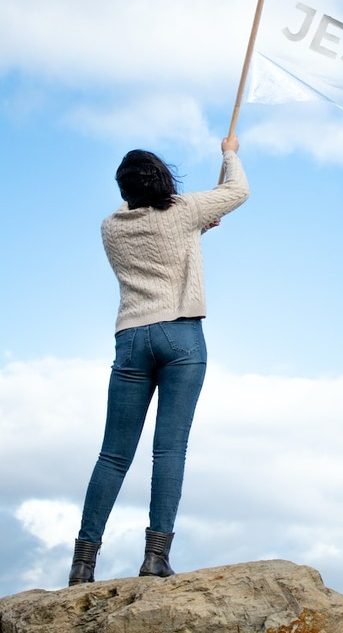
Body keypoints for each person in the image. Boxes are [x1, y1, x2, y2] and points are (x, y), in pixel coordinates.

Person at [68, 133, 249, 586]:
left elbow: (153, 235)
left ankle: (82, 563)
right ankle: (155, 558)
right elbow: (238, 192)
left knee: (112, 456)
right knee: (169, 450)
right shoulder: (184, 212)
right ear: (163, 179)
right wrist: (230, 153)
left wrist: (198, 229)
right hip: (181, 334)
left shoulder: (110, 227)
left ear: (124, 189)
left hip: (131, 337)